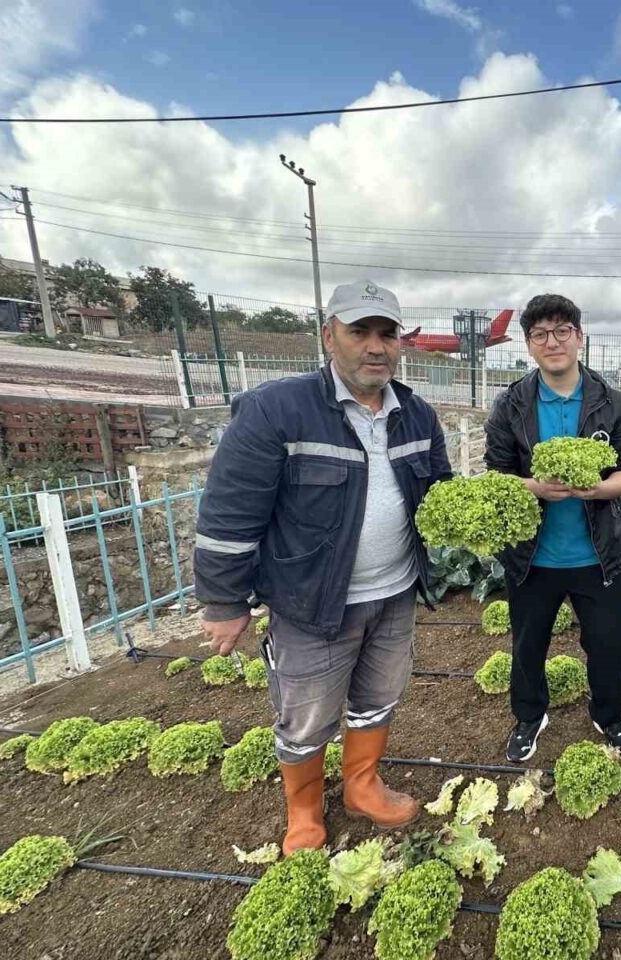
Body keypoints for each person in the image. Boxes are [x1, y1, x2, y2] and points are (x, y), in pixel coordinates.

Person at [195, 280, 453, 854]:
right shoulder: (276, 409)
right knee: (306, 716)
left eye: (387, 333)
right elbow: (231, 509)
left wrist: (468, 525)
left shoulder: (417, 415)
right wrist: (223, 600)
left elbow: (440, 496)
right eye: (359, 330)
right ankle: (305, 811)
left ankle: (362, 786)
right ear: (328, 334)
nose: (375, 346)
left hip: (395, 592)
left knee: (379, 696)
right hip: (311, 602)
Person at [483, 293, 621, 763]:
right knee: (528, 645)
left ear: (579, 337)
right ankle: (530, 716)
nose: (552, 341)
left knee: (609, 645)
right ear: (529, 344)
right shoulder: (511, 403)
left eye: (562, 331)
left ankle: (608, 716)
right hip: (532, 556)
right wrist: (533, 486)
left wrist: (598, 489)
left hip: (597, 553)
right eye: (540, 334)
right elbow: (497, 473)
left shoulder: (610, 401)